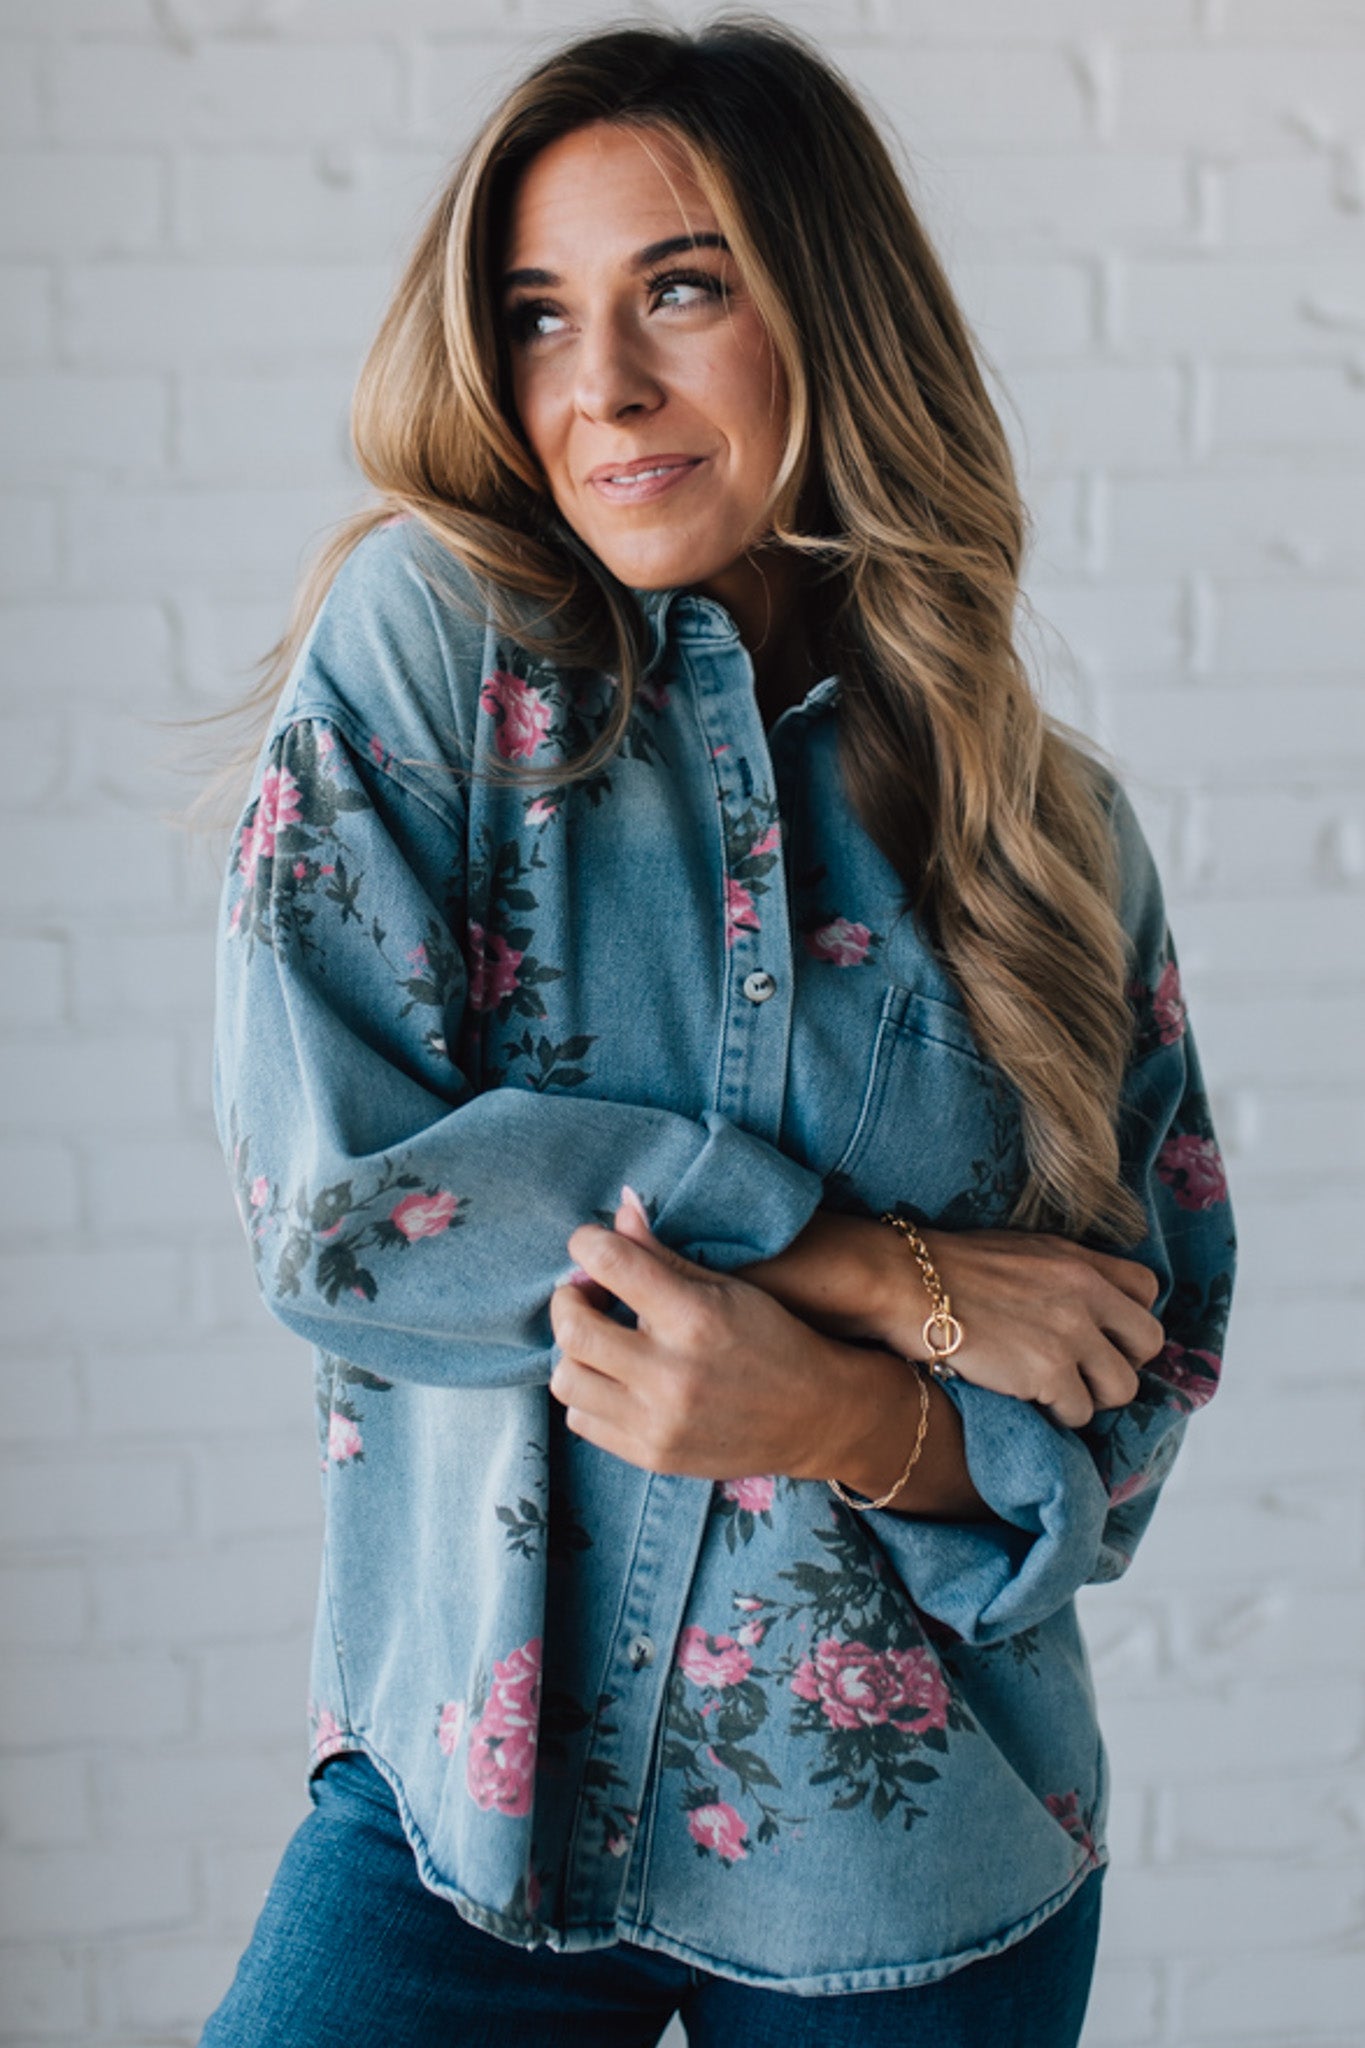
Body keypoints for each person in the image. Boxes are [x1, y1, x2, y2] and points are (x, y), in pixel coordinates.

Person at [200, 18, 1235, 2047]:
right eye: (535, 315)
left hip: (918, 1870)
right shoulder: (428, 662)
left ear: (825, 316)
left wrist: (834, 1416)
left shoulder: (1043, 832)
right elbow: (342, 1219)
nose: (596, 385)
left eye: (678, 289)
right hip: (462, 1830)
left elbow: (1122, 1403)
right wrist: (869, 1270)